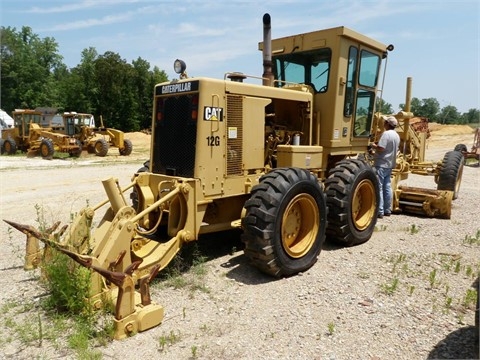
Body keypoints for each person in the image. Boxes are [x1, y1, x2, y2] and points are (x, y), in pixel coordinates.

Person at [371, 115, 400, 218]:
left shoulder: (386, 134)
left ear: (388, 124)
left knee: (379, 187)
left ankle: (380, 211)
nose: (383, 124)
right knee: (387, 187)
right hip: (390, 164)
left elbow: (381, 148)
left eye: (385, 122)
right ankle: (388, 209)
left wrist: (372, 145)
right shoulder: (396, 135)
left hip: (381, 163)